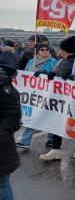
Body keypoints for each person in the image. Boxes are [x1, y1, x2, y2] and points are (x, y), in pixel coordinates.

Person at [39, 36, 75, 160]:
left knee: (74, 122)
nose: (60, 52)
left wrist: (72, 78)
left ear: (65, 50)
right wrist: (49, 74)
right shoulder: (61, 60)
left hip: (74, 99)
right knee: (56, 121)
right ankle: (55, 149)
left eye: (61, 49)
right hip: (60, 98)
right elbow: (57, 72)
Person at [16, 43, 58, 150]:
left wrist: (45, 73)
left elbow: (56, 75)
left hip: (47, 94)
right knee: (34, 116)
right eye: (42, 49)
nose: (45, 51)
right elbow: (25, 74)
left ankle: (51, 139)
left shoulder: (53, 62)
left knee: (49, 116)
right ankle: (25, 141)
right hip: (33, 95)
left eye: (47, 49)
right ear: (38, 52)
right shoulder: (31, 62)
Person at [0, 51, 21, 200]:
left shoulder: (4, 87)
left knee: (2, 186)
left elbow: (13, 114)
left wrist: (2, 132)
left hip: (2, 144)